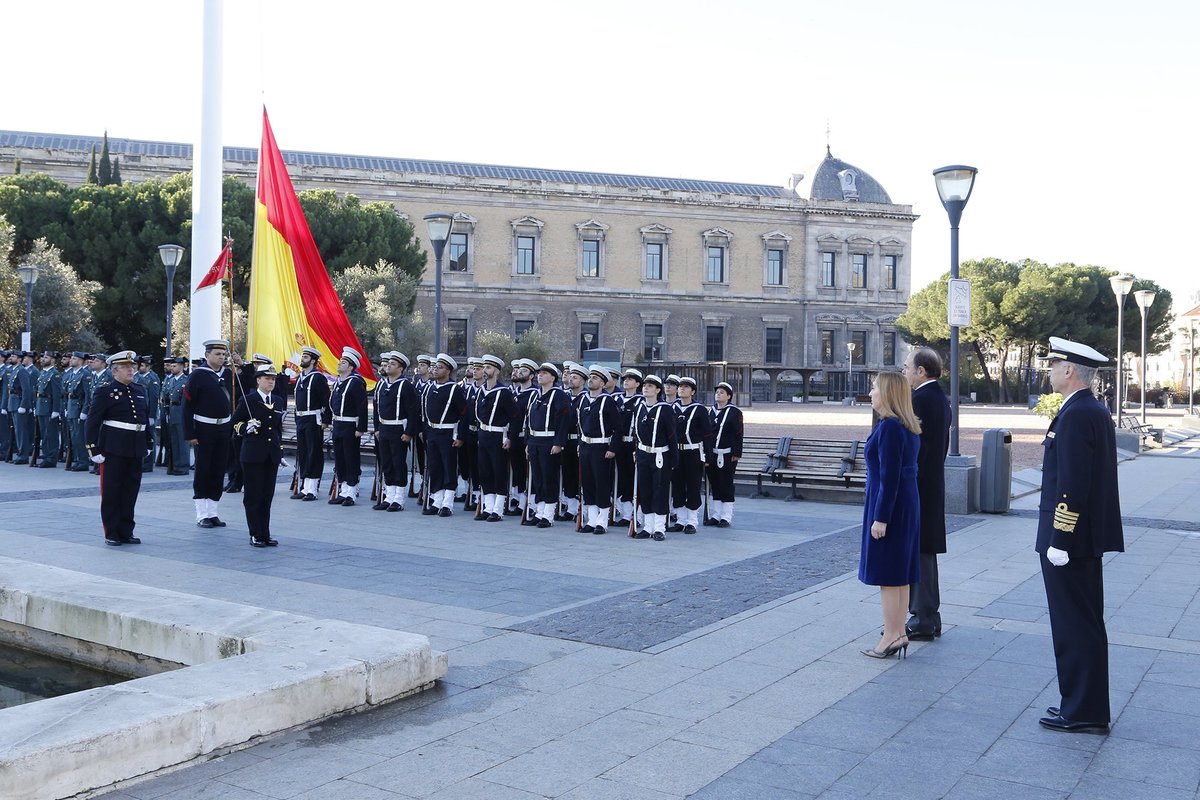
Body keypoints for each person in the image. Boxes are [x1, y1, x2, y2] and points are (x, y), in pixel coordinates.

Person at [1036, 337, 1123, 733]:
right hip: (1082, 537)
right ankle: (1082, 703)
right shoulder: (1089, 409)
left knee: (1075, 624)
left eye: (1053, 365)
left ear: (1069, 370)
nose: (1050, 371)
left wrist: (1061, 539)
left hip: (1071, 541)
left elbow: (1073, 483)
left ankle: (1082, 709)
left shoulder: (1076, 414)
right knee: (1082, 621)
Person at [859, 371, 922, 660]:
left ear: (887, 394)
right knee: (901, 574)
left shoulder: (890, 429)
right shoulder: (906, 427)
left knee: (888, 574)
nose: (871, 393)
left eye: (875, 388)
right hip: (906, 504)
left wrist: (881, 517)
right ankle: (899, 632)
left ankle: (889, 635)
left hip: (891, 506)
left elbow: (889, 477)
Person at [903, 347, 951, 641]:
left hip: (920, 486)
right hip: (932, 484)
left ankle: (921, 617)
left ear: (921, 371)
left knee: (919, 551)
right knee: (925, 552)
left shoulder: (920, 398)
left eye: (908, 367)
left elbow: (915, 448)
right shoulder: (938, 397)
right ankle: (930, 616)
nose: (905, 371)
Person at [84, 350, 154, 546]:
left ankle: (126, 530)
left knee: (131, 490)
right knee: (112, 491)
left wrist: (148, 441)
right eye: (125, 367)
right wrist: (93, 448)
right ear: (114, 371)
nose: (131, 370)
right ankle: (112, 531)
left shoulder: (140, 389)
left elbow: (144, 419)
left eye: (132, 367)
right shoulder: (105, 391)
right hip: (113, 447)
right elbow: (92, 421)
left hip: (135, 446)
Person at [183, 339, 234, 529]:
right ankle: (201, 514)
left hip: (223, 428)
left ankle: (213, 512)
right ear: (207, 355)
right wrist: (190, 433)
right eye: (217, 354)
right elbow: (187, 406)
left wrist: (241, 364)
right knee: (203, 470)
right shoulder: (198, 375)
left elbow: (246, 386)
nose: (221, 358)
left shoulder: (228, 373)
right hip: (203, 429)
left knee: (218, 470)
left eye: (223, 355)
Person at [233, 363, 285, 547]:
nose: (271, 381)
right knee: (254, 496)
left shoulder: (277, 400)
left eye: (273, 379)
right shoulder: (248, 400)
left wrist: (280, 450)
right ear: (258, 380)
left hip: (271, 455)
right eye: (267, 378)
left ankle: (265, 533)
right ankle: (255, 533)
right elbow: (234, 423)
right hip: (253, 453)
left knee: (267, 496)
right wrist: (246, 427)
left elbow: (277, 428)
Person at [473, 354, 520, 522]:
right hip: (483, 434)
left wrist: (510, 438)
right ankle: (487, 507)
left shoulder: (504, 392)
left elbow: (515, 417)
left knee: (498, 471)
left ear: (497, 371)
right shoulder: (480, 391)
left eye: (489, 368)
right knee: (484, 471)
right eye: (484, 367)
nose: (485, 371)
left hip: (498, 435)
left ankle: (498, 509)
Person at [421, 353, 468, 516]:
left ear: (448, 371)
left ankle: (447, 503)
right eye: (434, 367)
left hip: (448, 433)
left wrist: (460, 436)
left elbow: (464, 413)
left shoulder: (454, 389)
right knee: (435, 467)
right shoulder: (430, 387)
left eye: (439, 368)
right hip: (432, 432)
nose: (435, 370)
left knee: (448, 467)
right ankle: (436, 500)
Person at [525, 362, 571, 527]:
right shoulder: (535, 395)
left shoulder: (558, 396)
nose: (540, 375)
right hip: (535, 441)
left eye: (545, 373)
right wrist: (528, 441)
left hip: (549, 441)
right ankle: (539, 511)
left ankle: (548, 515)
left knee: (548, 477)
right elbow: (528, 419)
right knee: (537, 478)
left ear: (553, 377)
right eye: (539, 373)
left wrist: (558, 442)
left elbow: (563, 420)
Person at [372, 351, 420, 512]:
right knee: (386, 463)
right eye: (388, 364)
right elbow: (377, 408)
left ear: (400, 369)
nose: (388, 366)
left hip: (398, 428)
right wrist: (377, 429)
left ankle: (398, 498)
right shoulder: (382, 384)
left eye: (392, 364)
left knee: (398, 463)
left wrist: (408, 432)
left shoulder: (405, 385)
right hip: (384, 428)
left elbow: (413, 411)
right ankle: (389, 496)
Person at [577, 364, 621, 534]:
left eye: (595, 378)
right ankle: (591, 520)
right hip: (586, 445)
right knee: (587, 484)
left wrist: (612, 448)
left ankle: (602, 521)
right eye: (590, 377)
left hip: (601, 446)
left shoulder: (607, 401)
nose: (591, 380)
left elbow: (618, 427)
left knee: (601, 483)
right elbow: (579, 424)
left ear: (603, 384)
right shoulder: (583, 399)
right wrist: (581, 445)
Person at [633, 374, 677, 541]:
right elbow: (635, 431)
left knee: (660, 490)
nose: (646, 388)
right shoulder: (640, 406)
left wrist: (673, 458)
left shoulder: (665, 409)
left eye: (651, 386)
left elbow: (672, 434)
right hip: (643, 453)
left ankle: (659, 528)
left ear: (658, 390)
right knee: (645, 490)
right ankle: (647, 526)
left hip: (660, 454)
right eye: (645, 385)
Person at [326, 347, 368, 506]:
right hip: (338, 424)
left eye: (343, 362)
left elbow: (362, 407)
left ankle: (351, 492)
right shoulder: (338, 383)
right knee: (340, 459)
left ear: (350, 367)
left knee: (351, 458)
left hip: (350, 425)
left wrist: (360, 428)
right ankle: (343, 490)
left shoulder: (355, 382)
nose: (339, 364)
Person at [669, 376, 711, 534]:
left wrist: (708, 455)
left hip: (693, 452)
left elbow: (707, 434)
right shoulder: (672, 407)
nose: (682, 389)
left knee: (693, 486)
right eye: (680, 387)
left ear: (692, 391)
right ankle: (680, 520)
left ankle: (692, 521)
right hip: (676, 452)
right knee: (677, 486)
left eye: (686, 387)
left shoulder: (699, 409)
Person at [291, 346, 330, 500]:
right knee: (303, 452)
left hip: (313, 419)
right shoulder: (301, 377)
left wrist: (326, 420)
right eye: (303, 357)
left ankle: (312, 488)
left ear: (313, 361)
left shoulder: (318, 378)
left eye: (306, 358)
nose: (302, 359)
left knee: (313, 453)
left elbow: (326, 400)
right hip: (301, 419)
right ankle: (305, 486)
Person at [705, 382, 743, 527]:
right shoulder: (711, 411)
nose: (718, 394)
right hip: (712, 453)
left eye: (722, 392)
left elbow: (738, 433)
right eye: (717, 392)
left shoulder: (734, 412)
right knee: (715, 483)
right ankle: (716, 514)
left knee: (726, 484)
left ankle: (726, 516)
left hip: (727, 454)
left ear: (729, 396)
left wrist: (736, 452)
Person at [63, 351, 92, 471]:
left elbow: (88, 395)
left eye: (74, 358)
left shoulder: (84, 374)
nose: (71, 360)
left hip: (79, 408)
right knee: (74, 436)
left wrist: (85, 411)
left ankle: (83, 461)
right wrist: (66, 408)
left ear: (80, 361)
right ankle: (78, 459)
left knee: (79, 436)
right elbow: (67, 393)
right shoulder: (72, 374)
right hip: (71, 407)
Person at [34, 351, 63, 468]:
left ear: (52, 360)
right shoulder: (42, 373)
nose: (43, 359)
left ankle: (51, 458)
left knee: (51, 433)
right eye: (43, 357)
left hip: (49, 406)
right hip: (41, 405)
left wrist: (56, 409)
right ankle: (46, 455)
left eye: (46, 357)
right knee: (44, 434)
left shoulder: (54, 374)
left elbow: (57, 393)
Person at [133, 355, 161, 472]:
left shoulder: (151, 378)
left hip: (148, 413)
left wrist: (151, 415)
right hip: (139, 414)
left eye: (141, 365)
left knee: (149, 437)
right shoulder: (137, 378)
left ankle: (149, 462)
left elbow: (153, 398)